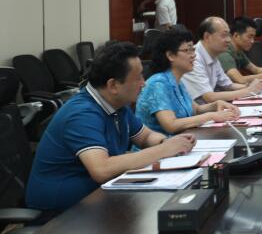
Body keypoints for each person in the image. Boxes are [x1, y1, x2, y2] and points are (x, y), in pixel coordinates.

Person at [25, 42, 196, 212]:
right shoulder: (82, 114)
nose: (143, 83)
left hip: (98, 195)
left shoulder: (117, 103)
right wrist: (165, 149)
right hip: (61, 210)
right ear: (113, 85)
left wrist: (168, 143)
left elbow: (145, 137)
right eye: (138, 77)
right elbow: (101, 169)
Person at [136, 30, 241, 135]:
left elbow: (196, 109)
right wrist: (211, 116)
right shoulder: (158, 84)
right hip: (160, 144)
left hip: (182, 140)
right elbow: (171, 125)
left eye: (193, 50)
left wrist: (216, 105)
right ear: (170, 55)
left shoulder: (178, 81)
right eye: (187, 50)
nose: (193, 55)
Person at [181, 16, 262, 104]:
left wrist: (251, 86)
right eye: (224, 35)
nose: (229, 40)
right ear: (207, 36)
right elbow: (209, 97)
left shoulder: (213, 55)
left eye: (228, 35)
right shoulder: (193, 59)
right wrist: (248, 91)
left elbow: (228, 85)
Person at [219, 17, 262, 84]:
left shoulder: (238, 51)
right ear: (236, 35)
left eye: (253, 37)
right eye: (250, 37)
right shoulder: (224, 53)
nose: (252, 41)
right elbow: (240, 79)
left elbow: (256, 70)